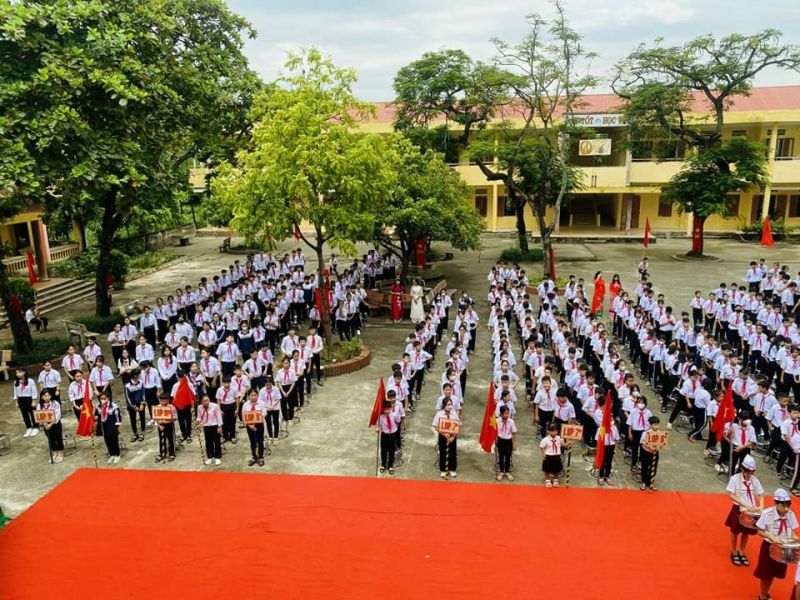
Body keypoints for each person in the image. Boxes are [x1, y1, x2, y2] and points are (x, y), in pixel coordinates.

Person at [754, 488, 800, 600]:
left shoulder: (790, 514)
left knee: (774, 572)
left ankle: (766, 593)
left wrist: (797, 539)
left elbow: (792, 533)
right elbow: (759, 531)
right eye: (783, 505)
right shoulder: (767, 513)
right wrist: (772, 537)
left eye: (788, 505)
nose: (786, 508)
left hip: (784, 548)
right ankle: (762, 596)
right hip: (770, 547)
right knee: (766, 574)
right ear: (776, 503)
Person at [724, 454, 764, 567]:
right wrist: (744, 504)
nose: (749, 475)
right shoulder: (735, 479)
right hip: (739, 508)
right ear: (742, 469)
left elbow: (761, 494)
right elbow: (731, 495)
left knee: (746, 532)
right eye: (747, 472)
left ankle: (741, 551)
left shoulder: (754, 480)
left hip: (751, 510)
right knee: (734, 531)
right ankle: (734, 552)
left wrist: (761, 506)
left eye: (752, 473)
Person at [431, 397, 459, 479]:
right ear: (444, 405)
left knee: (452, 452)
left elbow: (457, 426)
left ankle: (452, 469)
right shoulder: (439, 414)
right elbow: (435, 426)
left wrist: (453, 437)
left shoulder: (454, 414)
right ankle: (443, 469)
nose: (450, 406)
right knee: (443, 452)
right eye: (448, 405)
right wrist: (444, 434)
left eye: (451, 405)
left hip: (452, 436)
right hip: (443, 436)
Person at [94, 392, 122, 464]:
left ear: (108, 398)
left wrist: (118, 427)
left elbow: (118, 417)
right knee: (107, 440)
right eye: (101, 398)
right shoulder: (98, 406)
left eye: (104, 398)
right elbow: (96, 414)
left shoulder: (114, 406)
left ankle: (117, 455)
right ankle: (112, 454)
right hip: (104, 425)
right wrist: (95, 418)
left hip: (112, 424)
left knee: (114, 440)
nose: (102, 400)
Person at [36, 391, 63, 463]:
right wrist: (45, 424)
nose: (47, 397)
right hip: (46, 425)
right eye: (45, 396)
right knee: (50, 439)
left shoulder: (55, 403)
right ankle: (54, 452)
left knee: (58, 438)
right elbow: (39, 415)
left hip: (55, 424)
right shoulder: (39, 405)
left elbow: (58, 414)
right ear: (42, 397)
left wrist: (50, 424)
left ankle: (60, 452)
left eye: (48, 395)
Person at [242, 389, 266, 466]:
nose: (253, 397)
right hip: (249, 425)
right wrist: (250, 425)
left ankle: (261, 457)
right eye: (251, 395)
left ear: (257, 395)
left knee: (260, 441)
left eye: (255, 395)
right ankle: (254, 456)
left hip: (259, 425)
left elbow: (264, 413)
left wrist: (255, 422)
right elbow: (243, 416)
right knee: (252, 441)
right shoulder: (245, 404)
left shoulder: (261, 403)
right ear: (248, 396)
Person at [375, 400, 400, 475]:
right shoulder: (381, 417)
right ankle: (383, 464)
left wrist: (395, 430)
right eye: (385, 409)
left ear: (391, 408)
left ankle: (390, 465)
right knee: (383, 450)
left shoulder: (394, 415)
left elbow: (398, 421)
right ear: (383, 409)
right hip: (384, 435)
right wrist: (377, 429)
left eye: (388, 409)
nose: (387, 411)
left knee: (392, 450)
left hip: (392, 435)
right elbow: (377, 425)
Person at [540, 422, 568, 488]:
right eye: (552, 431)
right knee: (547, 469)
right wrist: (543, 454)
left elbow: (563, 445)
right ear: (548, 431)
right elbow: (542, 447)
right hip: (548, 456)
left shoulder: (559, 438)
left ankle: (555, 480)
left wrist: (567, 444)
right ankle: (547, 480)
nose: (554, 432)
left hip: (557, 456)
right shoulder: (545, 440)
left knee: (557, 469)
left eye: (556, 430)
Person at [196, 395, 222, 466]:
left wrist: (219, 426)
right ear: (201, 402)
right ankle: (210, 456)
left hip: (214, 425)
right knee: (208, 442)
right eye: (204, 401)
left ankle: (217, 457)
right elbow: (199, 417)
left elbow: (218, 416)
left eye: (207, 400)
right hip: (206, 426)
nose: (206, 402)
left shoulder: (215, 406)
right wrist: (197, 421)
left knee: (216, 441)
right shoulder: (199, 408)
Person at [13, 368, 38, 437]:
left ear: (24, 372)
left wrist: (34, 401)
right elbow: (15, 392)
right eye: (16, 373)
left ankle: (36, 427)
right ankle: (29, 427)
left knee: (33, 413)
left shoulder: (30, 381)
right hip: (20, 399)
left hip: (29, 399)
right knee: (24, 414)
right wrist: (16, 402)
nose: (17, 374)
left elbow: (34, 391)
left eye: (19, 372)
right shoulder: (16, 382)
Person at [640, 415, 662, 491]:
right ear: (650, 425)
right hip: (646, 452)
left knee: (653, 467)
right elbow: (643, 442)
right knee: (645, 467)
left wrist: (659, 447)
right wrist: (650, 447)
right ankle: (643, 482)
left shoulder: (659, 433)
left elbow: (661, 442)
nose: (657, 426)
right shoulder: (646, 433)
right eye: (655, 425)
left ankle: (650, 482)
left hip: (655, 453)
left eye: (658, 424)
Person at [153, 393, 177, 462]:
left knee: (171, 439)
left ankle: (172, 453)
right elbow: (155, 418)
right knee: (161, 440)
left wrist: (168, 421)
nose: (162, 402)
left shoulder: (172, 407)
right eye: (161, 401)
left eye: (164, 401)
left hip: (169, 425)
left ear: (168, 400)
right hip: (161, 426)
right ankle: (162, 453)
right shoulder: (158, 407)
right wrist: (159, 425)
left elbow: (175, 418)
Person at [496, 405, 517, 481]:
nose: (507, 415)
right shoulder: (497, 421)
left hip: (508, 441)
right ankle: (501, 472)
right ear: (501, 414)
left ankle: (507, 472)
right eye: (505, 413)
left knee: (508, 457)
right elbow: (494, 431)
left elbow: (514, 432)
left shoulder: (511, 422)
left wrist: (514, 444)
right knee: (501, 457)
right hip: (500, 440)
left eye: (508, 413)